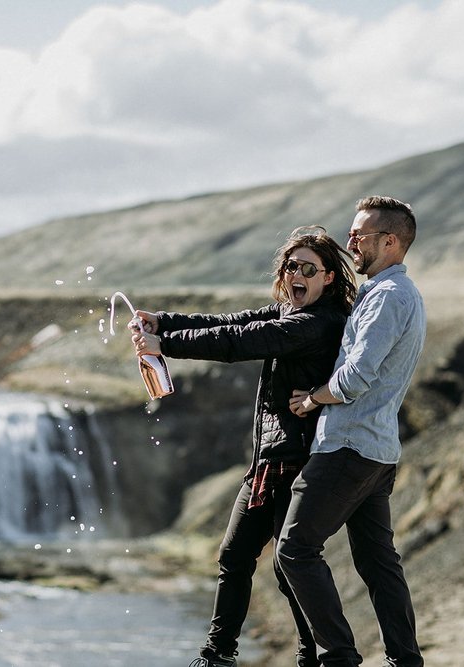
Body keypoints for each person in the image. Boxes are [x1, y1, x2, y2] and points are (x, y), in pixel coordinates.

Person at [130, 227, 357, 667]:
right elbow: (230, 323)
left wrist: (167, 346)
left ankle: (315, 655)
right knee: (234, 557)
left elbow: (241, 343)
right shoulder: (289, 311)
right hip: (269, 459)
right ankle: (218, 654)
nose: (296, 274)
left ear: (328, 277)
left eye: (308, 268)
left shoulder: (316, 323)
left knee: (286, 567)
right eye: (291, 266)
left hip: (295, 460)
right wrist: (165, 321)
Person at [280, 196, 426, 667]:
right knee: (379, 563)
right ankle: (405, 660)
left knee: (295, 550)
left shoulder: (387, 297)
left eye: (359, 235)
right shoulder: (396, 294)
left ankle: (338, 657)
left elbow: (357, 376)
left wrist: (312, 398)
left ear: (390, 241)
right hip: (378, 451)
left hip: (347, 445)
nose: (350, 244)